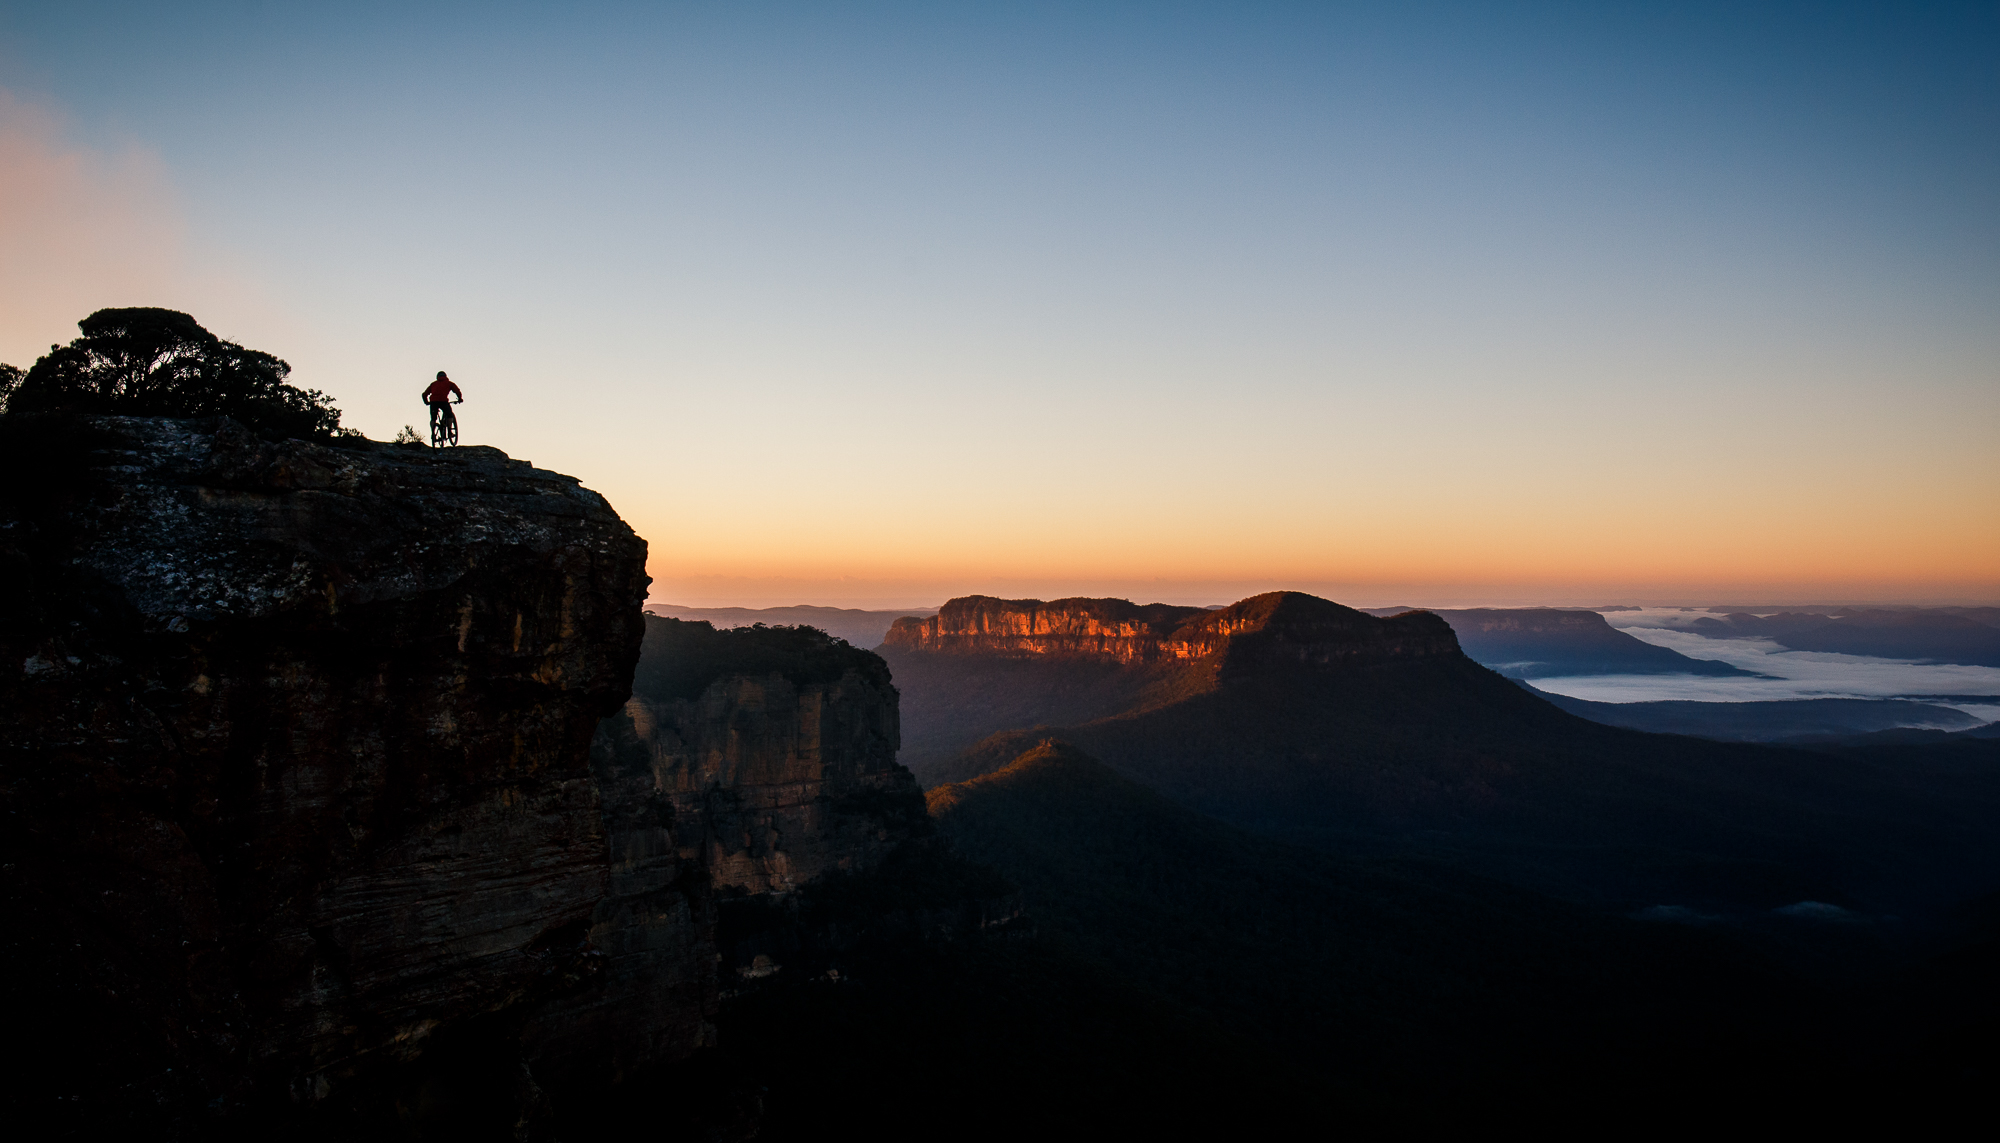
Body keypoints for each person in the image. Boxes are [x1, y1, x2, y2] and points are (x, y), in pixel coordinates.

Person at [421, 371, 463, 442]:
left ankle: (433, 433)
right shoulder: (449, 383)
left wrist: (427, 402)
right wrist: (460, 398)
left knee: (433, 419)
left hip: (433, 402)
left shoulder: (433, 384)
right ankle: (449, 432)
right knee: (449, 415)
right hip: (443, 401)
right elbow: (457, 391)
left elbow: (424, 394)